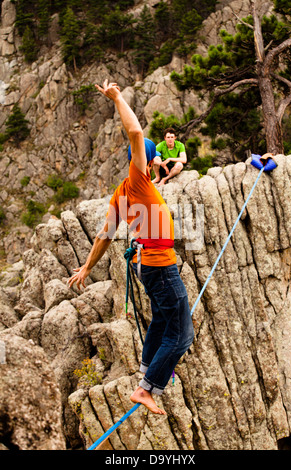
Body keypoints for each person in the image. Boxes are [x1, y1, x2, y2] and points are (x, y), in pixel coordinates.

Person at [67, 80, 194, 415]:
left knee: (161, 321)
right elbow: (136, 134)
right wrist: (118, 98)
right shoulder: (138, 178)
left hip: (147, 267)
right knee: (181, 335)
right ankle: (147, 388)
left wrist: (86, 268)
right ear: (151, 161)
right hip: (159, 266)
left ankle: (147, 367)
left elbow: (104, 236)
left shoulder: (122, 191)